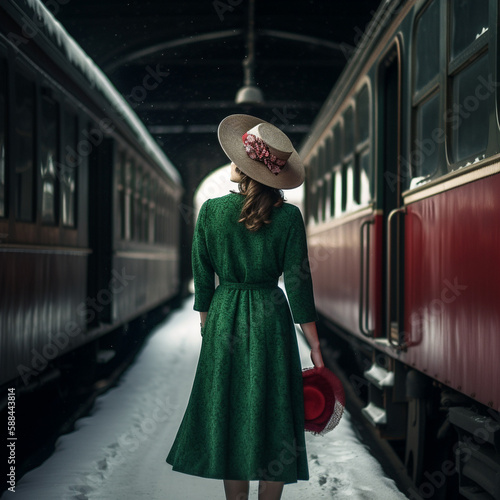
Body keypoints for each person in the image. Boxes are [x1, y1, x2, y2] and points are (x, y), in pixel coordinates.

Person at [166, 114, 324, 500]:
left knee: (229, 411)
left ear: (250, 168)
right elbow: (300, 284)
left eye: (239, 157)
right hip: (271, 316)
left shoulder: (211, 212)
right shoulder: (288, 217)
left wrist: (207, 321)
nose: (232, 161)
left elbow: (202, 275)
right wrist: (315, 345)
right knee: (274, 414)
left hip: (225, 317)